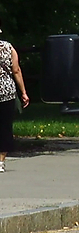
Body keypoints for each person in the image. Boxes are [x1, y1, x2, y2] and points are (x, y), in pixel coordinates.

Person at [0, 19, 30, 172]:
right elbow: (16, 70)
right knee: (5, 126)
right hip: (6, 92)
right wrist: (23, 92)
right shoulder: (8, 47)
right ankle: (1, 162)